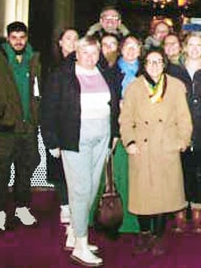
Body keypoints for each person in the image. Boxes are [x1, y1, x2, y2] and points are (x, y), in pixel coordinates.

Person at [42, 36, 121, 266]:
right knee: (80, 189)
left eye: (94, 52)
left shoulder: (105, 74)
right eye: (84, 52)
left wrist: (114, 133)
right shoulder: (61, 76)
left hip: (102, 136)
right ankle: (81, 246)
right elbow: (48, 110)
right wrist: (52, 141)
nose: (90, 57)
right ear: (76, 53)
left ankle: (75, 234)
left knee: (92, 189)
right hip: (74, 137)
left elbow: (113, 106)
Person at [119, 47, 193, 255]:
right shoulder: (133, 87)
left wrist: (182, 141)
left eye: (158, 61)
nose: (154, 66)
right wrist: (130, 142)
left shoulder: (176, 86)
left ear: (164, 64)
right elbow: (126, 120)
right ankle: (143, 234)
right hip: (142, 148)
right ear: (143, 64)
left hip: (166, 146)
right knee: (144, 196)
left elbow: (184, 119)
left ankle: (158, 236)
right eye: (150, 61)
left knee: (163, 196)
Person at [0, 21, 42, 233]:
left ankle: (22, 207)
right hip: (3, 130)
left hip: (27, 128)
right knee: (1, 172)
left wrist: (35, 117)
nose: (19, 41)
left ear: (27, 38)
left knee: (25, 171)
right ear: (8, 39)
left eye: (22, 37)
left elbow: (40, 91)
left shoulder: (34, 61)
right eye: (14, 37)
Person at [178, 32, 201, 234]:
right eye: (190, 44)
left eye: (198, 45)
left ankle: (198, 212)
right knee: (180, 171)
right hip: (179, 130)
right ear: (184, 48)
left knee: (199, 171)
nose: (194, 49)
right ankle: (180, 211)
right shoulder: (175, 72)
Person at [109, 34, 143, 234]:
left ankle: (138, 218)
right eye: (127, 46)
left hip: (141, 129)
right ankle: (115, 215)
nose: (131, 50)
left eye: (135, 46)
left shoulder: (146, 70)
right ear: (121, 49)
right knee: (119, 173)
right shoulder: (112, 71)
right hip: (117, 128)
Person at [48, 28, 79, 225]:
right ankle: (65, 206)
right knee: (60, 169)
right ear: (60, 42)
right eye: (68, 38)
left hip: (76, 126)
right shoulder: (51, 66)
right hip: (57, 125)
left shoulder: (84, 64)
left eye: (76, 39)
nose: (73, 42)